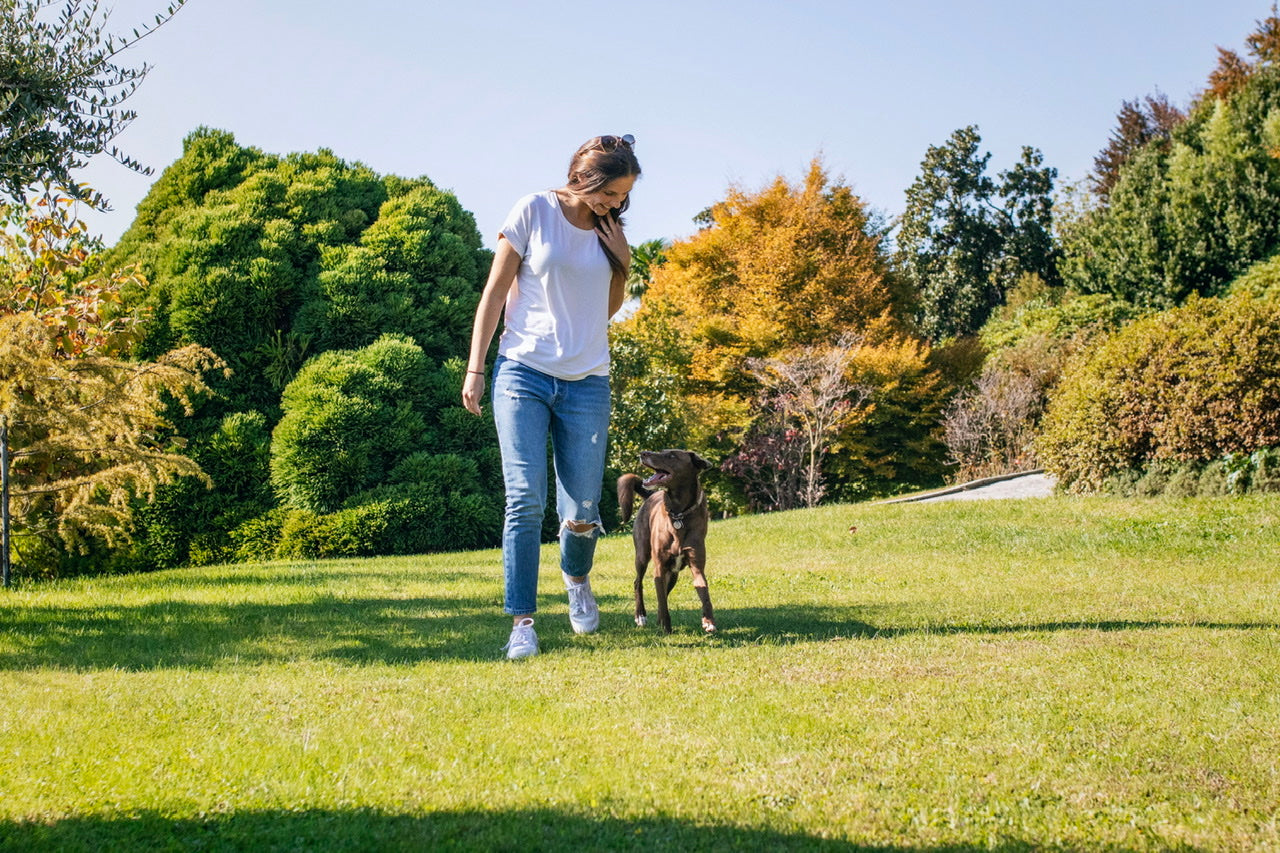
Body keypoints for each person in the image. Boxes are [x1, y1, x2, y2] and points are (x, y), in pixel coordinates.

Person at [462, 134, 640, 659]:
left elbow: (603, 311)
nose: (615, 204)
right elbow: (494, 293)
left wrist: (623, 262)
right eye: (610, 193)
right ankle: (522, 622)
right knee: (525, 500)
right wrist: (476, 368)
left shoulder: (610, 232)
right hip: (523, 372)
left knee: (582, 505)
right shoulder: (533, 210)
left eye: (623, 197)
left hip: (588, 381)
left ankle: (576, 579)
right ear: (584, 178)